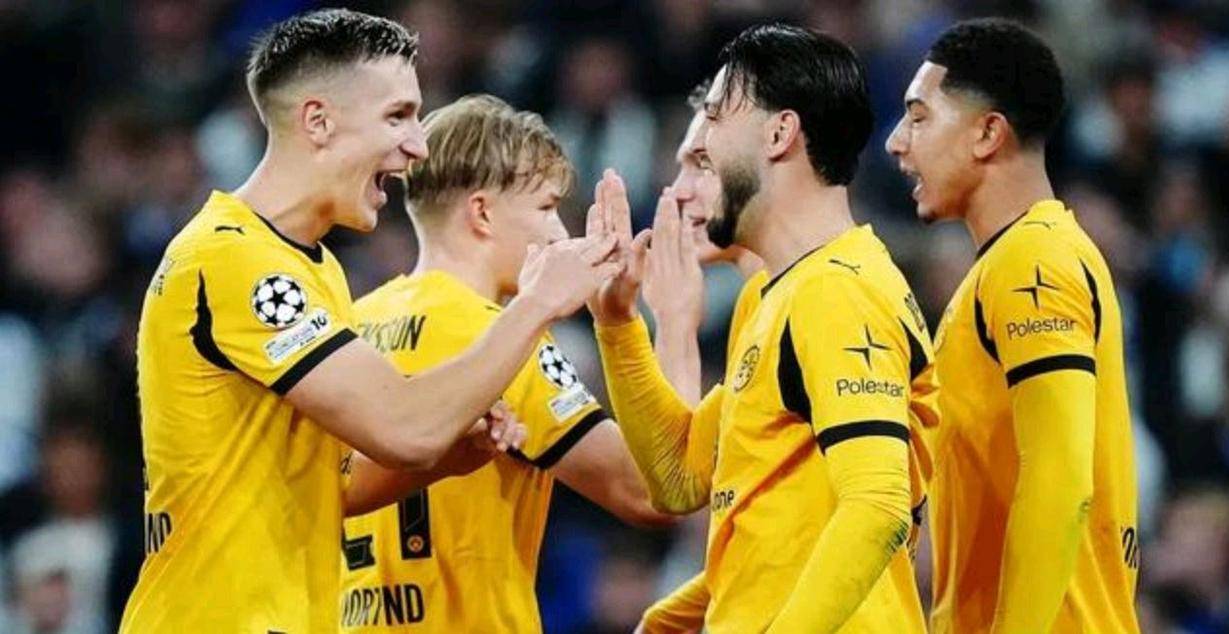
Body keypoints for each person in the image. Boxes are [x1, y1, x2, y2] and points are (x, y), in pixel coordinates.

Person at [120, 10, 618, 633]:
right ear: (318, 121)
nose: (418, 146)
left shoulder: (314, 269)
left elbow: (336, 483)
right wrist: (538, 304)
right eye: (397, 116)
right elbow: (405, 426)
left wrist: (448, 458)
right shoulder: (232, 258)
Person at [590, 24, 937, 632]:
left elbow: (877, 506)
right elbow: (679, 478)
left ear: (779, 134)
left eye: (714, 121)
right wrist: (617, 323)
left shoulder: (838, 288)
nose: (700, 149)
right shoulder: (777, 295)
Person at [338, 94, 672, 632]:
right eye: (545, 208)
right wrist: (663, 317)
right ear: (482, 212)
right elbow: (653, 491)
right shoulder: (502, 336)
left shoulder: (351, 324)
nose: (560, 234)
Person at [885, 18, 1140, 633]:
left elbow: (1061, 481)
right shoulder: (1004, 267)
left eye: (918, 118)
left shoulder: (1034, 259)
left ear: (987, 133)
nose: (896, 142)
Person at [636, 78, 766, 634]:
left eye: (702, 165)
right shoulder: (759, 306)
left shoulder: (825, 292)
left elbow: (869, 511)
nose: (677, 193)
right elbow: (681, 480)